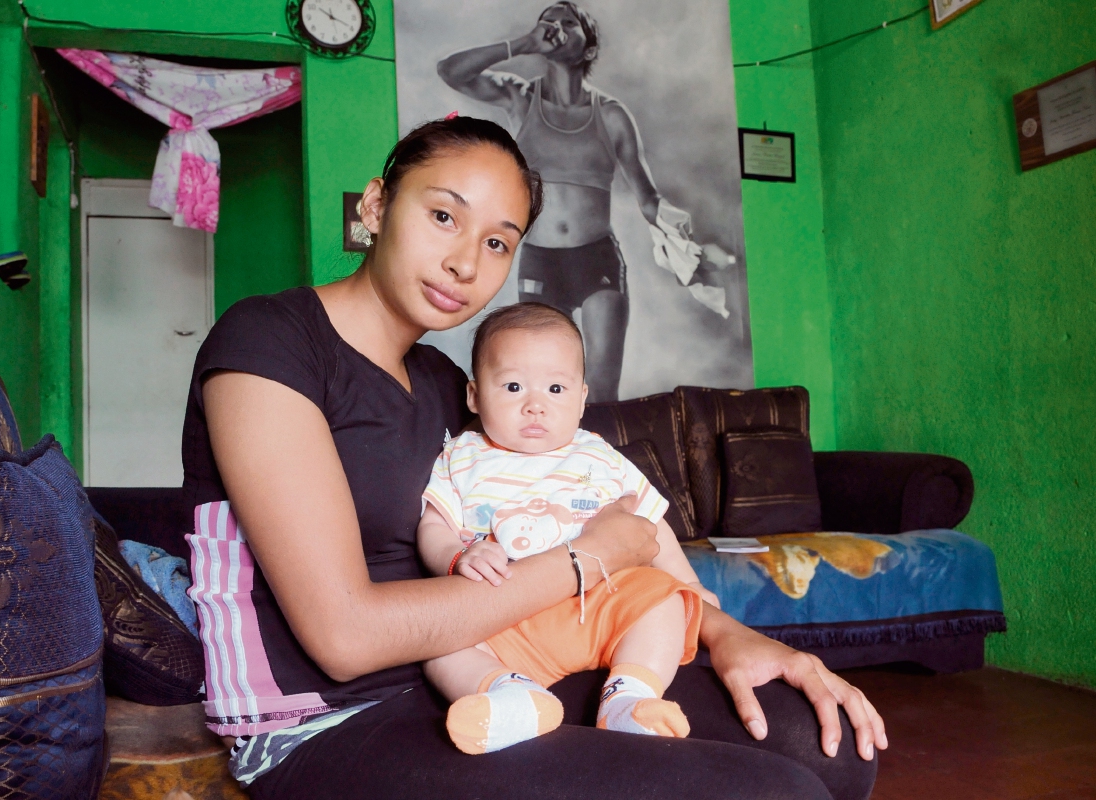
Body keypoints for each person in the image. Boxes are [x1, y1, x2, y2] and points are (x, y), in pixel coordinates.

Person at [182, 115, 885, 800]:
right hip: (327, 721)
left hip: (500, 663)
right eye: (443, 217)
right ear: (376, 203)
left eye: (497, 243)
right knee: (775, 791)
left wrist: (728, 634)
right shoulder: (269, 342)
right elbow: (343, 636)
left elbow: (536, 497)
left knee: (824, 746)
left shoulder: (442, 383)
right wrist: (591, 558)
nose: (465, 262)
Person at [418, 302, 721, 754]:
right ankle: (512, 694)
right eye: (514, 386)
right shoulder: (462, 456)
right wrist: (458, 555)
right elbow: (434, 525)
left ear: (581, 398)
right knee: (436, 641)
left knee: (663, 599)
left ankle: (629, 698)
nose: (535, 405)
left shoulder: (598, 455)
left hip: (601, 605)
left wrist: (690, 583)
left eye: (555, 388)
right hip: (501, 616)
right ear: (475, 397)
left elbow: (650, 525)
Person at [437, 1, 736, 402]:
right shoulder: (520, 98)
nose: (554, 27)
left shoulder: (611, 115)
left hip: (596, 259)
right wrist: (523, 43)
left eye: (567, 22)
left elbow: (649, 199)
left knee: (599, 389)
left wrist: (685, 245)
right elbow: (451, 71)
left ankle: (597, 465)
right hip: (541, 258)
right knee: (540, 385)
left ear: (588, 48)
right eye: (546, 21)